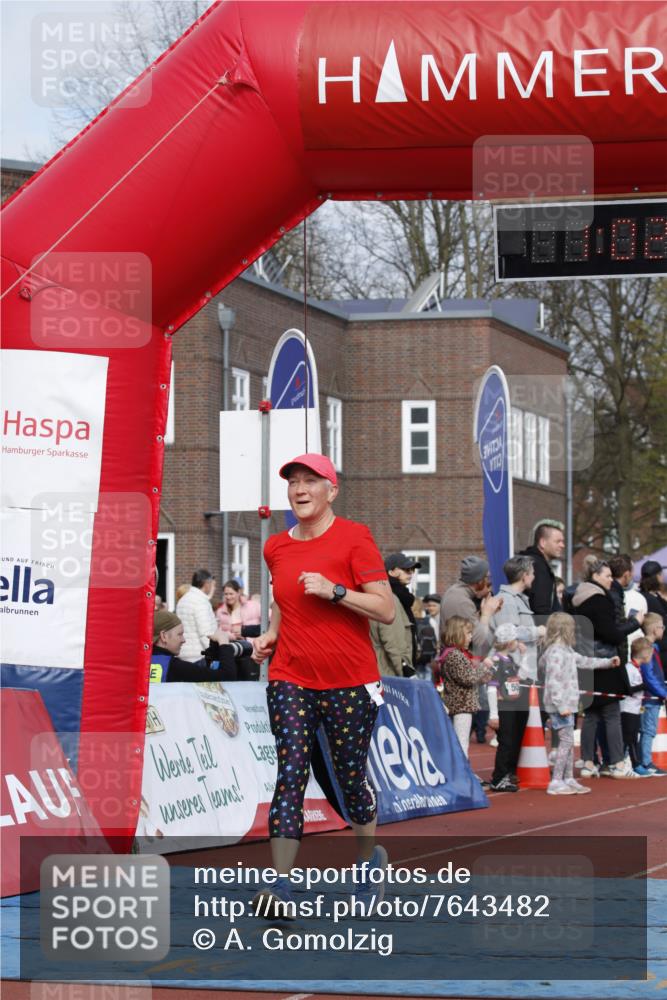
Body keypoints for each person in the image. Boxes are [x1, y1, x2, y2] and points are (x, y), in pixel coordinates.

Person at [250, 453, 394, 918]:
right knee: (290, 771)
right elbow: (281, 599)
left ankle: (368, 859)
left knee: (350, 780)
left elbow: (385, 609)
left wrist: (335, 590)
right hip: (291, 675)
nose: (299, 489)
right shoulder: (275, 547)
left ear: (332, 490)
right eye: (293, 481)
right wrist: (272, 633)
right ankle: (280, 885)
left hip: (350, 680)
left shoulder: (355, 538)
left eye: (310, 481)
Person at [571, 556, 643, 779]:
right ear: (595, 576)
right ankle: (617, 763)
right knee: (611, 713)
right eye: (607, 575)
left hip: (585, 660)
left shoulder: (576, 597)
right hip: (605, 661)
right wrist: (635, 623)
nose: (611, 580)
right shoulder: (599, 600)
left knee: (591, 714)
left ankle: (588, 761)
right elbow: (610, 633)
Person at [540, 613, 619, 795]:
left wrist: (607, 662)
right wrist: (561, 705)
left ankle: (567, 778)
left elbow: (584, 661)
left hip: (567, 703)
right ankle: (556, 780)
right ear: (565, 629)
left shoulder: (565, 650)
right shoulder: (555, 653)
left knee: (567, 741)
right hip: (560, 705)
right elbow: (553, 681)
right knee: (566, 741)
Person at [434, 616, 494, 759]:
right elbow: (468, 678)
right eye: (468, 633)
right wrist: (483, 668)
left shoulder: (456, 653)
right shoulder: (455, 655)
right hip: (461, 705)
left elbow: (468, 677)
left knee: (459, 741)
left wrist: (483, 676)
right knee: (461, 743)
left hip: (460, 703)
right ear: (458, 634)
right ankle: (463, 774)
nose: (470, 637)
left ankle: (461, 772)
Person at [487, 623, 529, 792]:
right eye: (515, 639)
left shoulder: (510, 660)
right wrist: (494, 714)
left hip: (512, 705)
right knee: (505, 742)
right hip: (503, 707)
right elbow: (491, 689)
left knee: (511, 740)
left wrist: (524, 656)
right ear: (509, 641)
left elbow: (522, 676)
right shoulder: (496, 662)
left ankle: (507, 773)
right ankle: (498, 778)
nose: (518, 642)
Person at [151, 609, 238, 682]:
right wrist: (224, 642)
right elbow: (227, 677)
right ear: (164, 636)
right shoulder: (175, 667)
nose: (183, 640)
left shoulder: (140, 663)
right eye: (179, 634)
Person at [441, 556, 502, 656]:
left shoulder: (457, 593)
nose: (489, 582)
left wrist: (485, 612)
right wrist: (486, 613)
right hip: (459, 664)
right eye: (487, 577)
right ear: (479, 580)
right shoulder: (461, 601)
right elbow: (479, 641)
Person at [636, 613, 667, 776]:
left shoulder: (653, 648)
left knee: (647, 730)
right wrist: (663, 693)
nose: (663, 630)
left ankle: (643, 760)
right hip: (650, 697)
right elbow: (649, 675)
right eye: (662, 627)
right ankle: (645, 762)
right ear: (655, 629)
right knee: (647, 730)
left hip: (652, 696)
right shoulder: (647, 649)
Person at [176, 569, 227, 662]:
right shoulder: (200, 602)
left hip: (182, 654)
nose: (212, 587)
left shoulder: (183, 599)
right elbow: (206, 634)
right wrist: (215, 654)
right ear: (206, 583)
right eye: (211, 583)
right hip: (199, 656)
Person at [384, 552, 421, 669]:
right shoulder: (390, 596)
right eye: (406, 569)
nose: (410, 573)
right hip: (395, 669)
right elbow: (390, 639)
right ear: (391, 572)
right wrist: (403, 667)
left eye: (412, 570)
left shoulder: (403, 597)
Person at [519, 522, 565, 616]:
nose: (562, 545)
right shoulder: (538, 566)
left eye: (562, 541)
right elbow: (540, 607)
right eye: (558, 541)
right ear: (543, 542)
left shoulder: (532, 562)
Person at [621, 637, 650, 773]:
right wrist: (645, 686)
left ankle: (625, 761)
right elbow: (628, 690)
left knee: (632, 736)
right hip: (628, 709)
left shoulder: (637, 668)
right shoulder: (629, 668)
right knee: (630, 738)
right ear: (644, 653)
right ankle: (635, 764)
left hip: (636, 708)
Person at [639, 560, 667, 662]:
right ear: (657, 576)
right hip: (658, 648)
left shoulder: (655, 595)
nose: (663, 577)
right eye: (661, 574)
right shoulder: (648, 598)